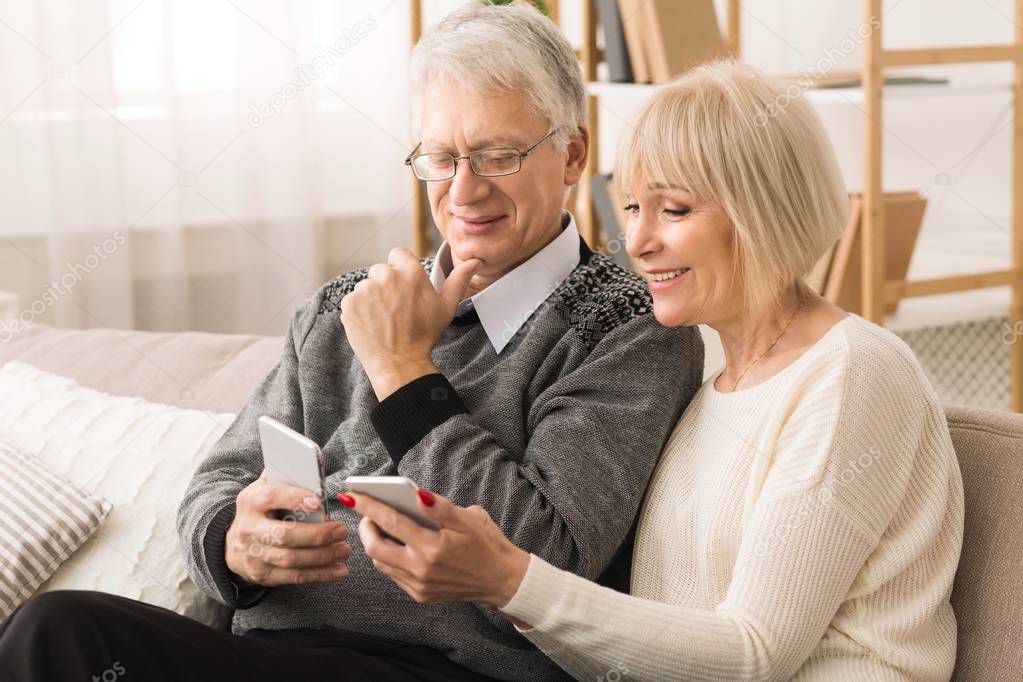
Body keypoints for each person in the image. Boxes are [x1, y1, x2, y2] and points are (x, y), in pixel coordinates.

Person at [0, 4, 702, 681]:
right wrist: (231, 541)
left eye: (497, 155)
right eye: (440, 157)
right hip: (270, 655)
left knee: (56, 636)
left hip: (448, 669)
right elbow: (217, 482)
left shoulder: (629, 326)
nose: (464, 189)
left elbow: (545, 559)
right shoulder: (344, 308)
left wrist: (401, 368)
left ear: (572, 153)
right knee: (59, 630)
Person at [346, 60, 966, 681]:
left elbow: (754, 656)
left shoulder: (854, 373)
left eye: (673, 210)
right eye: (633, 206)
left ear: (764, 212)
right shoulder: (713, 388)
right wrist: (505, 589)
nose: (636, 241)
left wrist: (511, 580)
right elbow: (646, 646)